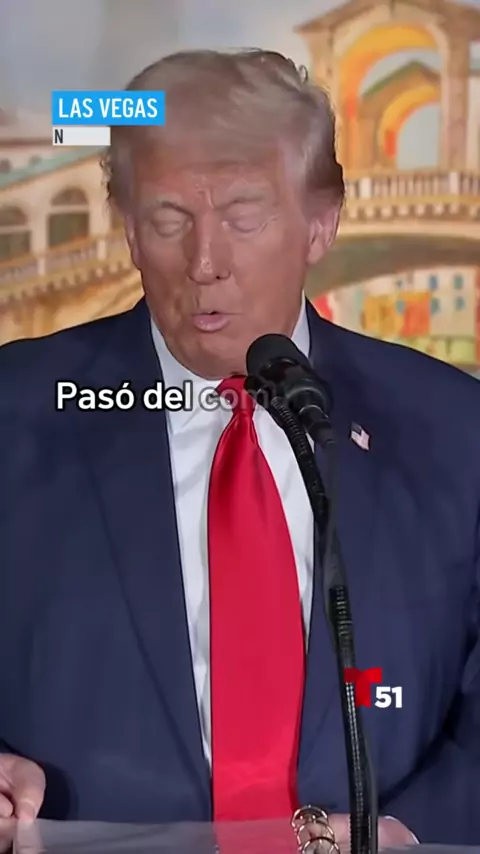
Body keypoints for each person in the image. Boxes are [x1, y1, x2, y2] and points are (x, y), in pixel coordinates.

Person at [0, 49, 479, 850]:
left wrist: (406, 833)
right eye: (168, 220)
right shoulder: (13, 411)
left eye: (243, 217)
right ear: (128, 228)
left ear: (322, 222)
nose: (205, 263)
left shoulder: (454, 428)